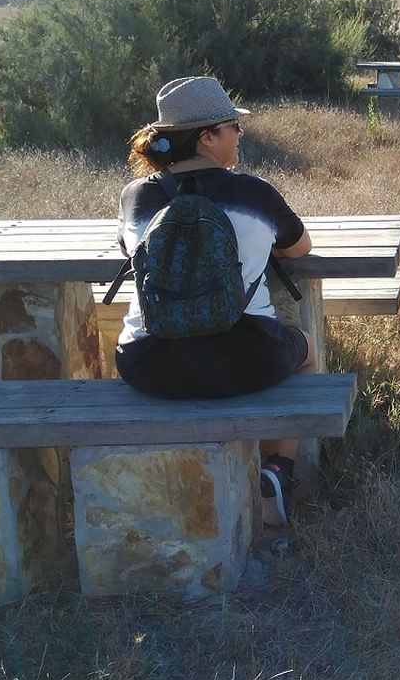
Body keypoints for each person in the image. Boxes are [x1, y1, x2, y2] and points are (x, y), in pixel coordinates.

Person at [114, 75, 316, 525]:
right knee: (306, 351)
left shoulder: (136, 197)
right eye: (232, 126)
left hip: (149, 366)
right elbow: (299, 248)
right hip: (247, 361)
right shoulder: (253, 193)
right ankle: (279, 469)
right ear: (207, 138)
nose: (240, 134)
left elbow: (129, 249)